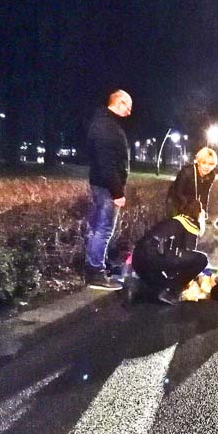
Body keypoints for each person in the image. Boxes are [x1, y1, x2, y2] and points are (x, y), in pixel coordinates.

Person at [84, 89, 133, 290]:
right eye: (127, 107)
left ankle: (96, 265)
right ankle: (95, 271)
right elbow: (107, 164)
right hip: (106, 187)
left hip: (102, 185)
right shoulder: (106, 127)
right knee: (104, 229)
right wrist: (117, 192)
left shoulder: (103, 123)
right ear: (118, 102)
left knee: (98, 228)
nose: (129, 112)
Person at [131, 199, 208, 305]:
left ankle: (158, 291)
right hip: (153, 258)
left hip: (138, 260)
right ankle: (173, 292)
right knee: (201, 259)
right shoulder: (191, 225)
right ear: (198, 213)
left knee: (164, 285)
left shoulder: (175, 221)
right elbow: (187, 258)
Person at [168, 147, 218, 216]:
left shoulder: (211, 175)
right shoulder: (186, 171)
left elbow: (205, 194)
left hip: (191, 200)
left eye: (210, 164)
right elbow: (178, 192)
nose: (207, 167)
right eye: (204, 163)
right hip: (176, 198)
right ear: (198, 162)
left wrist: (203, 211)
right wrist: (188, 207)